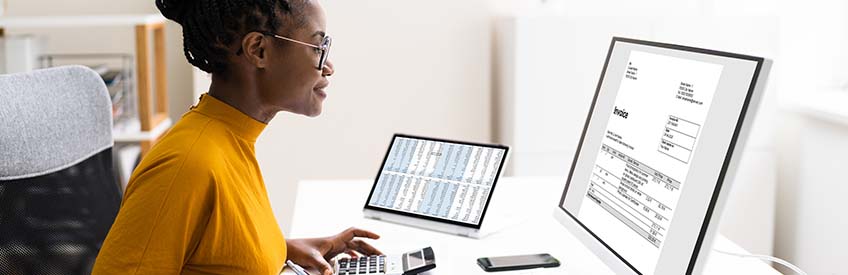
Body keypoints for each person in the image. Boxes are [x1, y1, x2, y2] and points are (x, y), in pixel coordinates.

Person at [92, 0, 380, 274]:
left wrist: (283, 250)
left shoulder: (233, 139)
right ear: (258, 50)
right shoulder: (187, 166)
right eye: (318, 47)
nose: (328, 67)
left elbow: (219, 253)